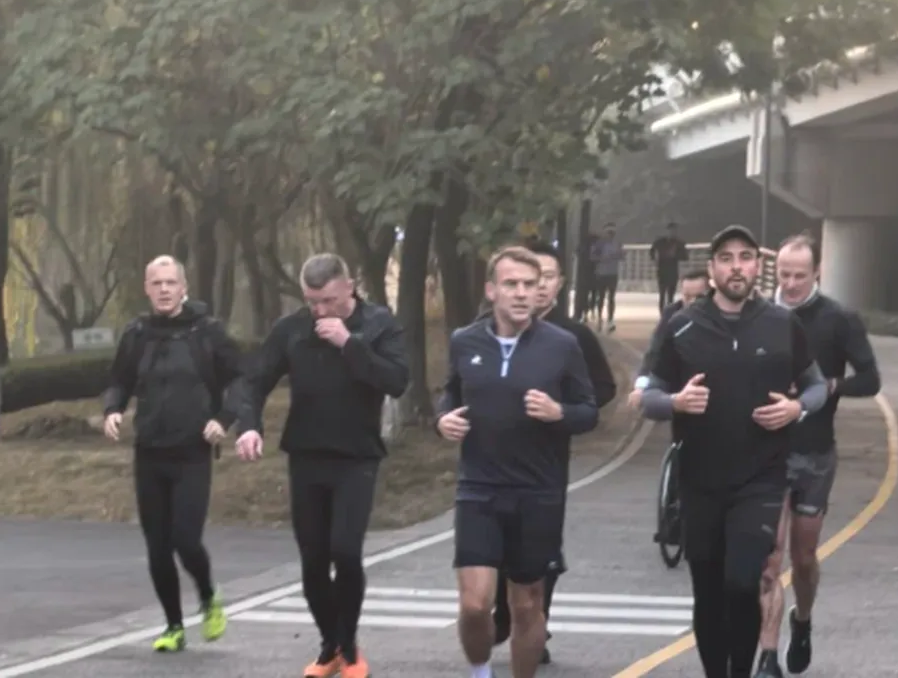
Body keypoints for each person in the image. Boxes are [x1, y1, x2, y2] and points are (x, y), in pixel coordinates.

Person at [640, 225, 822, 678]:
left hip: (761, 477)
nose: (736, 266)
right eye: (726, 258)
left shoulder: (782, 324)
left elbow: (817, 385)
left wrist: (797, 408)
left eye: (745, 257)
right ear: (713, 268)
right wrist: (675, 402)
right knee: (708, 588)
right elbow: (649, 395)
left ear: (757, 268)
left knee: (743, 582)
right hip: (700, 478)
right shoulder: (681, 324)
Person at [234, 253, 409, 678]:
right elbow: (254, 380)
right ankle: (330, 644)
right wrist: (249, 426)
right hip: (307, 455)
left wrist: (349, 343)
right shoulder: (292, 329)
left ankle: (349, 648)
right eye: (312, 301)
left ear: (349, 287)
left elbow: (396, 380)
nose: (320, 311)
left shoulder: (379, 324)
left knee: (345, 552)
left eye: (328, 300)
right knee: (313, 560)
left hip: (356, 457)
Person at [436, 245, 599, 678]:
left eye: (531, 284)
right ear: (492, 290)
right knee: (474, 604)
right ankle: (480, 672)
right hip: (479, 487)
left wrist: (559, 412)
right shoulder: (464, 341)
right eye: (512, 284)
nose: (523, 293)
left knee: (526, 604)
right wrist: (442, 418)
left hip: (537, 491)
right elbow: (451, 391)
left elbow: (589, 410)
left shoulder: (563, 346)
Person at [756, 235, 880, 678]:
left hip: (814, 451)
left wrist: (832, 387)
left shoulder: (838, 319)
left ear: (817, 273)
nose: (789, 284)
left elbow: (871, 379)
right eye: (783, 275)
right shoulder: (759, 314)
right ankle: (767, 654)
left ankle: (802, 621)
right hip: (765, 453)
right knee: (770, 559)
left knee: (803, 558)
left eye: (799, 276)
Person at [102, 255, 239, 653]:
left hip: (192, 452)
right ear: (147, 289)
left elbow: (240, 379)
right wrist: (112, 409)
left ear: (184, 288)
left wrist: (224, 419)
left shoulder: (206, 332)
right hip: (149, 452)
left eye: (170, 282)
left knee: (185, 539)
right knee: (157, 545)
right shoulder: (138, 333)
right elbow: (119, 380)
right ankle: (173, 625)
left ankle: (209, 596)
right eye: (156, 283)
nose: (164, 289)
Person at [490, 239, 618, 665]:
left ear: (560, 284)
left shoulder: (573, 337)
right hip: (492, 459)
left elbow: (603, 389)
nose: (539, 287)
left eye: (548, 278)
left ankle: (536, 624)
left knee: (542, 550)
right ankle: (503, 611)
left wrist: (563, 411)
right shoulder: (486, 330)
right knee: (492, 543)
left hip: (546, 460)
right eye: (532, 277)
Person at [628, 269, 711, 409]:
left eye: (699, 297)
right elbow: (655, 350)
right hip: (678, 382)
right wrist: (641, 387)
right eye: (687, 296)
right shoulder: (672, 313)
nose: (691, 302)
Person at [589, 222, 624, 332]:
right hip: (601, 273)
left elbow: (622, 256)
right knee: (601, 296)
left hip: (613, 273)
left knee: (611, 298)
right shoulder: (599, 244)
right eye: (609, 232)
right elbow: (592, 256)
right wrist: (602, 258)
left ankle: (610, 319)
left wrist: (619, 255)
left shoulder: (617, 244)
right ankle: (600, 317)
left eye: (612, 233)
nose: (610, 234)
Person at [650, 222, 689, 312]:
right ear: (667, 231)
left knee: (671, 295)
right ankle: (662, 314)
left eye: (674, 231)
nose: (672, 232)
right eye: (670, 230)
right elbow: (652, 251)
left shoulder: (679, 243)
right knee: (662, 294)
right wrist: (654, 258)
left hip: (673, 271)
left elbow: (685, 257)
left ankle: (669, 315)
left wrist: (675, 255)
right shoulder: (660, 242)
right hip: (662, 270)